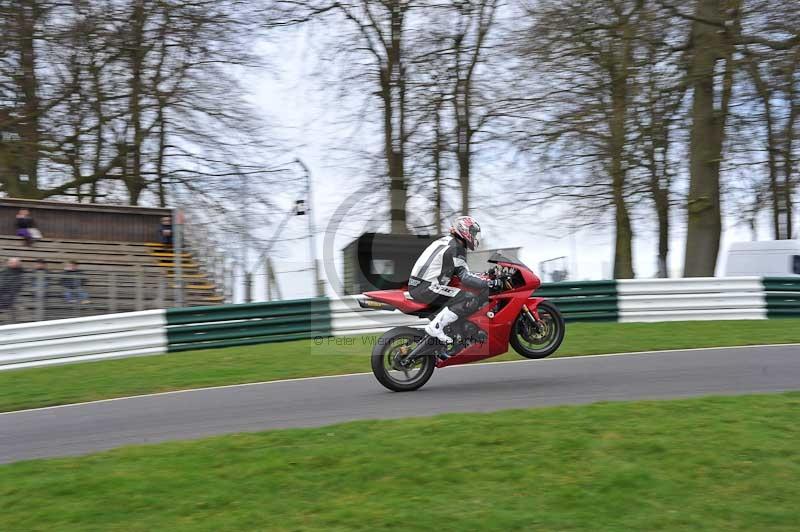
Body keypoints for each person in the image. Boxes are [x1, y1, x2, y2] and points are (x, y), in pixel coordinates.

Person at [408, 216, 502, 343]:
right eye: (473, 233)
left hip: (420, 284)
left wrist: (483, 276)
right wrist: (489, 282)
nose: (474, 237)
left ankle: (453, 330)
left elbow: (461, 272)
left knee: (459, 293)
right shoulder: (457, 247)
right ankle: (436, 327)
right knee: (469, 298)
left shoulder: (446, 241)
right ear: (464, 230)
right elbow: (466, 277)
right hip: (427, 287)